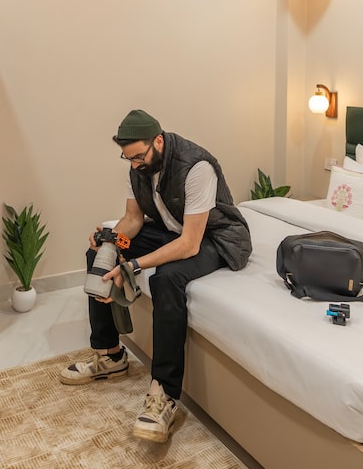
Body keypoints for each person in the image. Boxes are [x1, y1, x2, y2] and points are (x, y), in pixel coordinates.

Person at [59, 109, 253, 443]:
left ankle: (163, 392)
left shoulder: (197, 167)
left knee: (166, 277)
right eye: (128, 158)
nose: (134, 164)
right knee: (100, 254)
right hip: (170, 230)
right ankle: (110, 356)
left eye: (139, 157)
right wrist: (112, 240)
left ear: (158, 142)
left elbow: (190, 244)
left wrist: (134, 266)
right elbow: (133, 219)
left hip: (215, 239)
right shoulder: (138, 167)